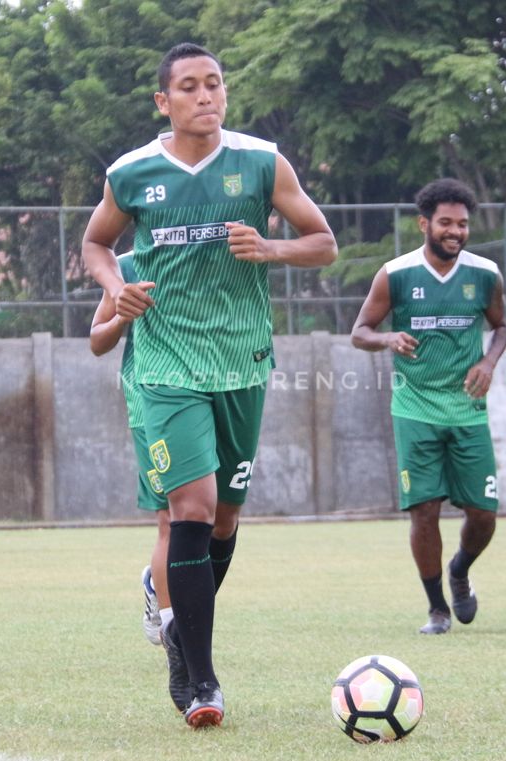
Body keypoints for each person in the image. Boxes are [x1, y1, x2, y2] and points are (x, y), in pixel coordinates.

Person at [81, 42, 337, 728]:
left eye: (214, 84)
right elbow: (96, 244)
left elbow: (323, 241)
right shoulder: (132, 173)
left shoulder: (260, 161)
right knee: (188, 507)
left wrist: (272, 247)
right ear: (163, 101)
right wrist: (115, 291)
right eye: (189, 87)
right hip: (165, 367)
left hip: (241, 363)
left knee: (222, 519)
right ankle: (199, 678)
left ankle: (172, 617)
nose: (205, 96)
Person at [351, 178, 506, 635]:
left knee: (483, 513)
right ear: (425, 224)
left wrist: (489, 360)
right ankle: (437, 607)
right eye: (446, 223)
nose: (455, 231)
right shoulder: (396, 273)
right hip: (414, 407)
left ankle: (460, 570)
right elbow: (360, 330)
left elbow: (501, 327)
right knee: (425, 509)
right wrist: (387, 337)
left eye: (462, 224)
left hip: (466, 407)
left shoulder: (485, 274)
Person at [89, 252, 173, 649]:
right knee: (172, 520)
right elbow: (97, 340)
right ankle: (176, 632)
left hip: (215, 392)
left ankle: (160, 582)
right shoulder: (126, 266)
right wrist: (123, 314)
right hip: (150, 404)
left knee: (215, 521)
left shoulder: (215, 251)